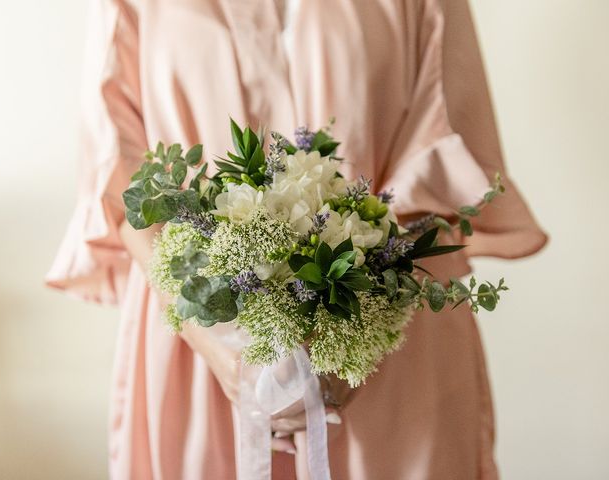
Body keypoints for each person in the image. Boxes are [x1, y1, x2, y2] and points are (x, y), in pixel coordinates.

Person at [47, 0, 547, 478]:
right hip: (195, 344)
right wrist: (226, 352)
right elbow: (119, 177)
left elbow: (443, 153)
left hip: (389, 345)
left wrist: (349, 335)